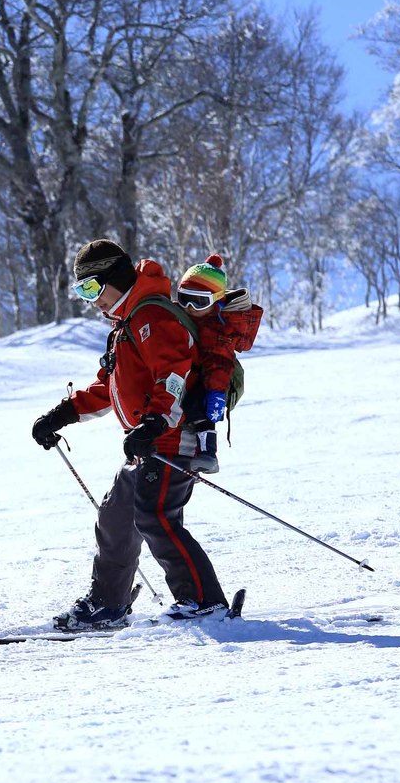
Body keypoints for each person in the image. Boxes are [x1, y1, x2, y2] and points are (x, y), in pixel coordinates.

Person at [31, 238, 229, 630]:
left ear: (115, 278)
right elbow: (108, 390)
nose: (90, 300)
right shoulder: (126, 325)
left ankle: (204, 602)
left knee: (156, 517)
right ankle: (107, 606)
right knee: (116, 519)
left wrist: (155, 421)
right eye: (80, 291)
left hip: (172, 439)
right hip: (146, 444)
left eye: (91, 287)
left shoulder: (152, 316)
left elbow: (174, 372)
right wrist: (59, 416)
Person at [174, 253, 264, 474]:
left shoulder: (216, 328)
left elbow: (220, 363)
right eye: (185, 298)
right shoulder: (185, 316)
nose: (190, 307)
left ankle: (207, 453)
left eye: (200, 301)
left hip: (210, 379)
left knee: (197, 408)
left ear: (216, 301)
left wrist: (216, 393)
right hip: (192, 373)